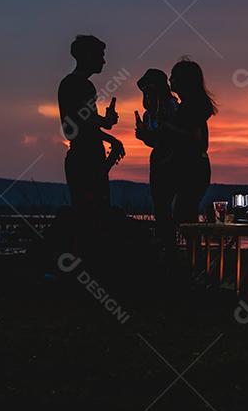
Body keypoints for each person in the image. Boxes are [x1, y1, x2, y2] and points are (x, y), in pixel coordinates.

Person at [57, 34, 123, 212]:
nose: (103, 61)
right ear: (88, 55)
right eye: (100, 55)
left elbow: (84, 122)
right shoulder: (82, 85)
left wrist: (105, 123)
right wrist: (111, 137)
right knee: (95, 212)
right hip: (87, 157)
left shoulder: (70, 83)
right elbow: (85, 125)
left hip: (80, 156)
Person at [134, 68, 181, 250]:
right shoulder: (148, 114)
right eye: (144, 91)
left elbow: (174, 137)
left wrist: (150, 135)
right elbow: (154, 141)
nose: (146, 95)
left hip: (174, 162)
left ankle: (172, 250)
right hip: (158, 162)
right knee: (161, 209)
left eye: (149, 90)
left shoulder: (173, 107)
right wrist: (145, 136)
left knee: (175, 212)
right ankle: (166, 249)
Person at [168, 57, 216, 227]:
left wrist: (166, 127)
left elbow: (196, 138)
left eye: (173, 76)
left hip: (192, 167)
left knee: (184, 215)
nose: (170, 79)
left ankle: (193, 252)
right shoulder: (186, 106)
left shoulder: (193, 107)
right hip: (191, 166)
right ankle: (193, 252)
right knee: (185, 214)